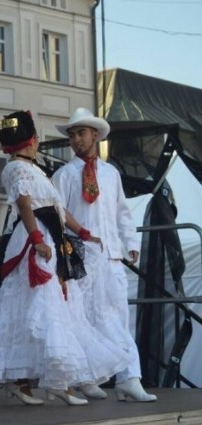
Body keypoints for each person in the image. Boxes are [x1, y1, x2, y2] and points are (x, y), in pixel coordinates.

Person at [0, 111, 129, 406]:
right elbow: (25, 204)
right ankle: (55, 383)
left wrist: (85, 233)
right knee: (44, 309)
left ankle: (30, 382)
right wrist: (37, 239)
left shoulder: (34, 169)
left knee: (43, 310)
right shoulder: (16, 169)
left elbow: (58, 209)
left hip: (50, 238)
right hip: (34, 242)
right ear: (32, 140)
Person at [52, 107, 157, 402]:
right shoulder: (65, 174)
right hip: (81, 256)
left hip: (109, 255)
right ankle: (86, 377)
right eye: (72, 134)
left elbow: (122, 212)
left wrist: (131, 242)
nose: (76, 139)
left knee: (117, 317)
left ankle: (129, 377)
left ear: (95, 135)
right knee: (82, 318)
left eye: (81, 133)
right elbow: (57, 216)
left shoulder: (111, 174)